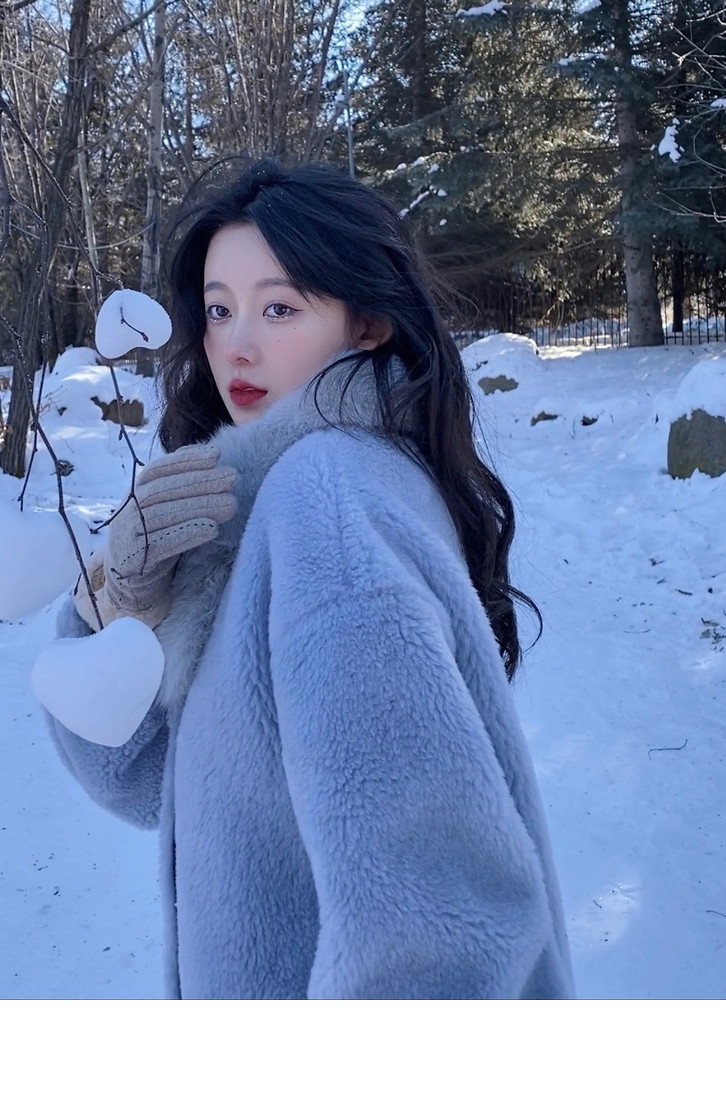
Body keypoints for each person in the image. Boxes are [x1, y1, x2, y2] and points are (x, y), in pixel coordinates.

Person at [44, 157, 573, 999]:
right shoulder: (267, 502)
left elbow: (442, 925)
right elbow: (145, 785)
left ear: (367, 323)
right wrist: (125, 606)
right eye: (219, 310)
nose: (237, 344)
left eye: (280, 308)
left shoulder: (325, 498)